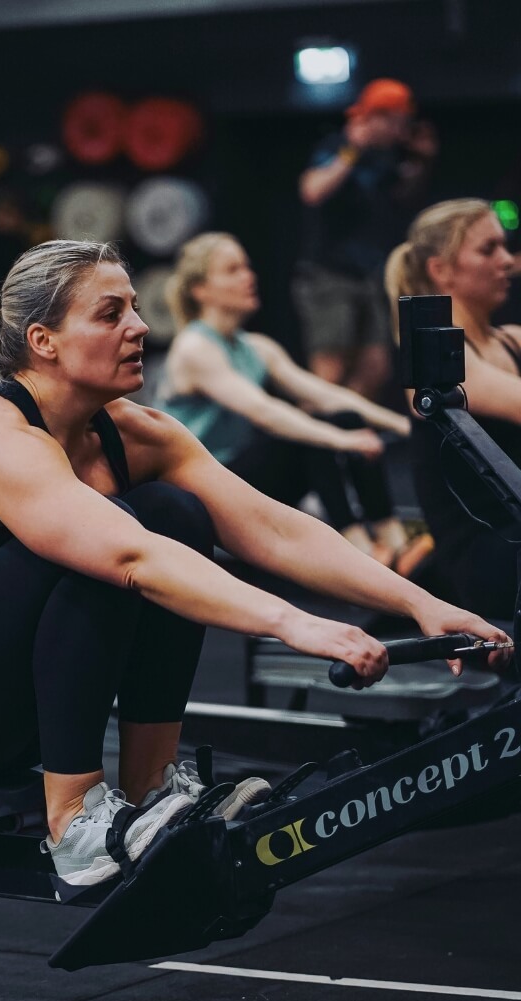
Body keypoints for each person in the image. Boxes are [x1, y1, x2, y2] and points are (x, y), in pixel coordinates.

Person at [0, 239, 508, 890]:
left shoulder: (136, 433)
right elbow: (128, 555)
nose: (139, 327)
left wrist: (420, 602)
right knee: (107, 543)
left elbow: (274, 529)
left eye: (134, 308)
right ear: (44, 341)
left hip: (16, 709)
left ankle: (151, 785)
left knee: (178, 512)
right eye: (110, 314)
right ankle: (74, 819)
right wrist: (292, 624)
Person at [159, 231, 430, 571]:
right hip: (202, 492)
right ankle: (356, 547)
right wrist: (340, 440)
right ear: (200, 290)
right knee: (307, 435)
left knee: (343, 416)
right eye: (233, 270)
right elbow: (262, 411)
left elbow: (327, 394)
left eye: (247, 267)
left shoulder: (256, 347)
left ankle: (392, 538)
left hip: (241, 483)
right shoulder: (194, 348)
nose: (249, 277)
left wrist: (406, 425)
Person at [385, 198, 521, 618]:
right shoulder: (436, 359)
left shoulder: (512, 339)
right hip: (486, 559)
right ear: (440, 269)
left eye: (505, 246)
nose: (507, 262)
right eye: (488, 250)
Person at [293, 78, 437, 400]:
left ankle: (348, 428)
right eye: (396, 123)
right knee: (329, 372)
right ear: (374, 118)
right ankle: (323, 440)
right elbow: (312, 190)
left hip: (368, 272)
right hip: (327, 274)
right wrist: (352, 149)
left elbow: (404, 197)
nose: (401, 132)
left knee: (377, 366)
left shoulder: (387, 156)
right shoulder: (338, 145)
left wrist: (422, 161)